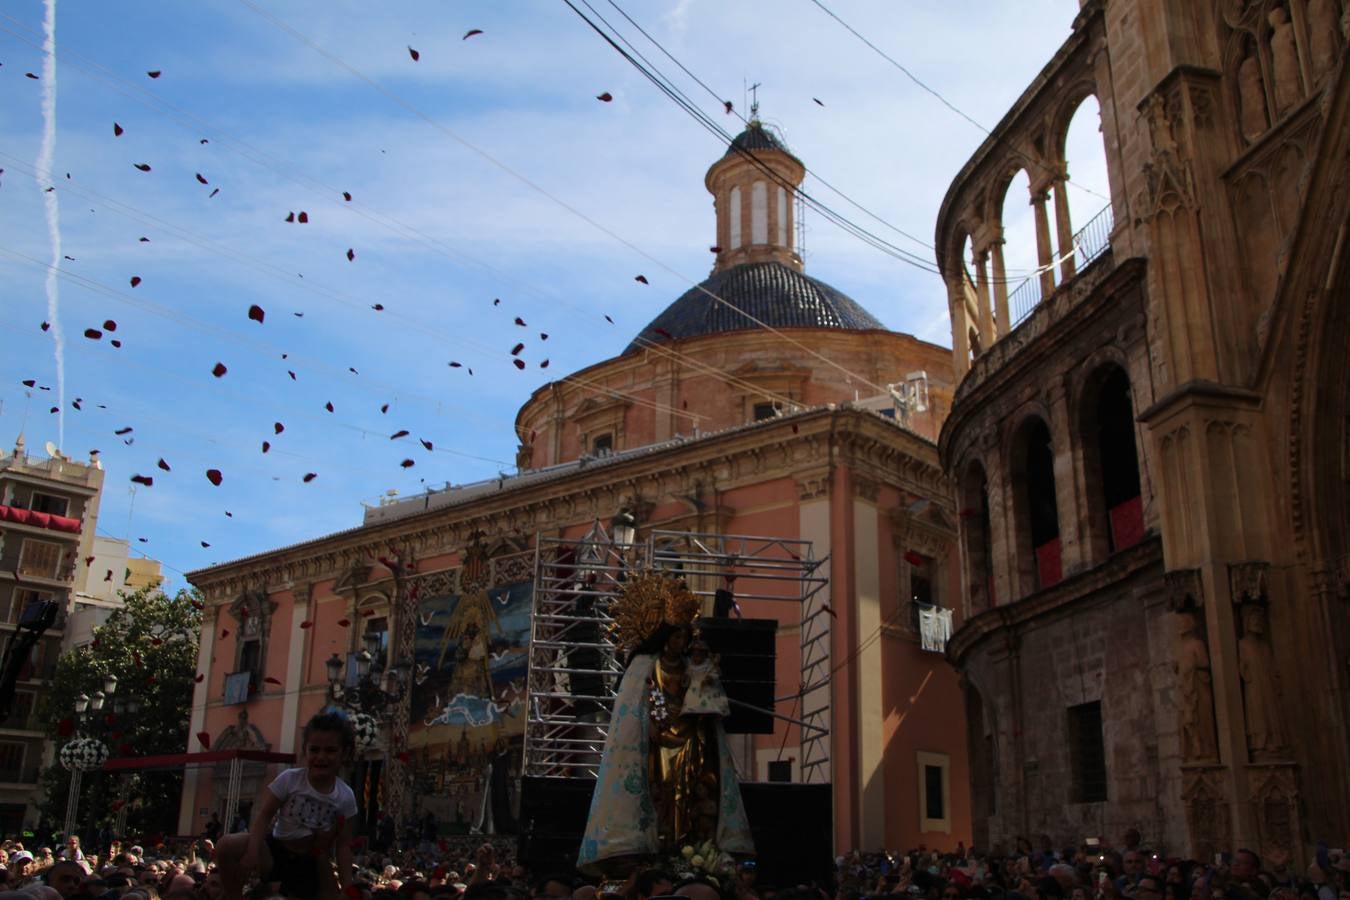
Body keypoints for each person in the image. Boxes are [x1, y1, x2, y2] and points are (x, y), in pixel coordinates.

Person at [577, 571, 753, 877]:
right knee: (665, 794)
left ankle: (690, 847)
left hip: (692, 737)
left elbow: (706, 700)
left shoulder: (691, 667)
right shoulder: (644, 666)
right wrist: (652, 726)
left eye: (684, 636)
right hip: (658, 741)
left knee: (692, 793)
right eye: (675, 635)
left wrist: (705, 682)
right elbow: (635, 710)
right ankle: (661, 848)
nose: (680, 641)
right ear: (663, 635)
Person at [215, 710, 360, 900]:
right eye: (314, 750)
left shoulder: (345, 796)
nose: (321, 756)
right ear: (305, 751)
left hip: (313, 860)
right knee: (226, 845)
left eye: (330, 750)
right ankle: (232, 896)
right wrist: (252, 851)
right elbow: (264, 816)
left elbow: (343, 846)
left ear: (344, 754)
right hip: (275, 850)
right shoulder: (290, 780)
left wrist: (347, 886)